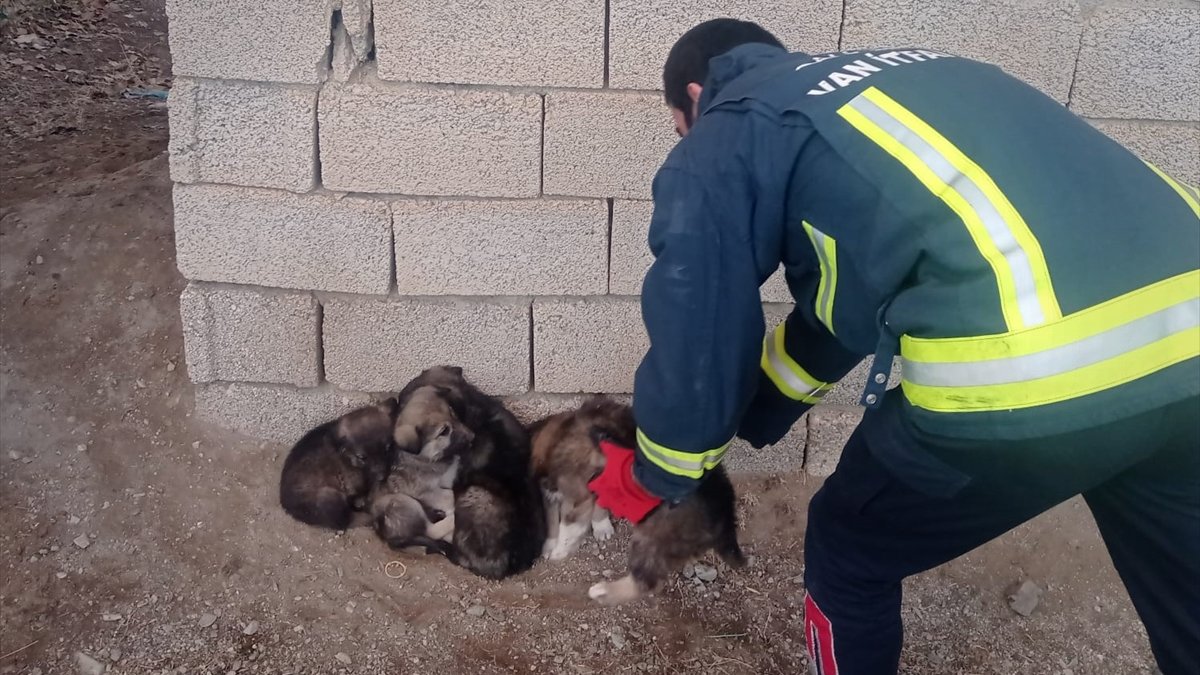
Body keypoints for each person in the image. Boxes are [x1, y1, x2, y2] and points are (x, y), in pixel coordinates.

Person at [584, 17, 1200, 675]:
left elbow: (699, 319)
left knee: (850, 545)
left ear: (695, 98)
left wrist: (662, 470)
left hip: (1035, 373)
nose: (685, 140)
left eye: (680, 126)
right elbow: (839, 312)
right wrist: (756, 413)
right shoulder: (893, 83)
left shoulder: (730, 127)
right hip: (1187, 343)